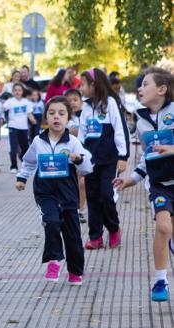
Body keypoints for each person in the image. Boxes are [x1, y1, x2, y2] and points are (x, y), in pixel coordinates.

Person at [16, 97, 93, 283]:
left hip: (68, 191)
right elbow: (29, 161)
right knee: (50, 222)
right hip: (45, 191)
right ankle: (54, 259)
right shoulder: (38, 141)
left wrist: (79, 160)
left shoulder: (73, 142)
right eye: (51, 113)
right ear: (45, 118)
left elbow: (87, 168)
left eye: (61, 113)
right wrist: (22, 178)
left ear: (68, 119)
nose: (56, 117)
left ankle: (75, 271)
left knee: (72, 233)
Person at [113, 67, 174, 301]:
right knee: (164, 227)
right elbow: (146, 157)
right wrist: (131, 179)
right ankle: (160, 281)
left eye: (145, 84)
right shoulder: (140, 120)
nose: (140, 88)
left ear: (161, 89)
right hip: (159, 184)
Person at [78, 68, 129, 249]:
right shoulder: (85, 107)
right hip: (90, 162)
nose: (80, 87)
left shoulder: (111, 104)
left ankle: (114, 229)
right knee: (92, 198)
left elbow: (120, 131)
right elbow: (81, 135)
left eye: (83, 84)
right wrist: (79, 158)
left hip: (109, 160)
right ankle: (95, 237)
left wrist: (123, 156)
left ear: (94, 85)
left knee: (106, 195)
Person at [3, 82, 37, 172]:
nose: (17, 92)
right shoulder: (10, 101)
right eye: (15, 90)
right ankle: (13, 166)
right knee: (13, 147)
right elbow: (2, 108)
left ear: (22, 91)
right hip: (13, 127)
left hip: (23, 128)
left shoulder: (26, 102)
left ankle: (26, 164)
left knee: (25, 147)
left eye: (19, 90)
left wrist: (33, 120)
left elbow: (29, 113)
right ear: (13, 92)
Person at [65, 88, 87, 223]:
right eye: (69, 100)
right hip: (68, 155)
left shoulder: (86, 115)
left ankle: (80, 210)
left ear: (81, 102)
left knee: (82, 182)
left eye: (75, 100)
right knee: (71, 183)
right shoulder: (64, 117)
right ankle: (70, 208)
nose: (72, 103)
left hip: (84, 153)